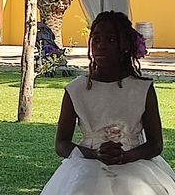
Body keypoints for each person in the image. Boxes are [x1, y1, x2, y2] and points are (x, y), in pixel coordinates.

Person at [41, 10, 175, 195]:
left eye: (111, 40)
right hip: (87, 166)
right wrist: (94, 154)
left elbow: (156, 144)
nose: (101, 46)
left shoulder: (142, 89)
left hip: (136, 165)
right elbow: (61, 144)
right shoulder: (76, 90)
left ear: (126, 45)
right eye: (96, 40)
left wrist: (126, 156)